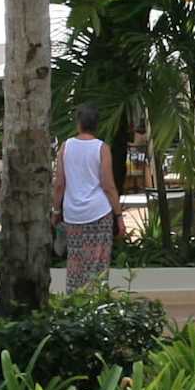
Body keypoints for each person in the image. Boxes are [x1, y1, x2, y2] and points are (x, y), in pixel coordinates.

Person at [55, 103, 120, 290]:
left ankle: (74, 298)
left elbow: (59, 184)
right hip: (99, 212)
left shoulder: (65, 147)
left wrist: (55, 211)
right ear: (96, 125)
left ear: (78, 123)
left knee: (75, 261)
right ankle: (96, 299)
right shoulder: (102, 148)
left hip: (73, 214)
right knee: (98, 262)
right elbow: (108, 186)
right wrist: (119, 215)